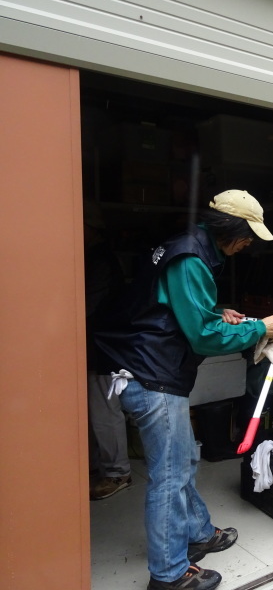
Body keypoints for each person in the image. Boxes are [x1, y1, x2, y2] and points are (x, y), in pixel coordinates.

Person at [95, 189, 273, 590]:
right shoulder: (190, 258)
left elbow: (175, 309)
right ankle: (169, 574)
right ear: (230, 228)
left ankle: (199, 534)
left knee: (182, 463)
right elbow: (202, 337)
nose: (249, 242)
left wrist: (219, 313)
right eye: (247, 234)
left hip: (152, 370)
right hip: (152, 376)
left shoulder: (189, 246)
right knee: (169, 474)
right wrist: (258, 327)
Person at [84, 201, 132, 500]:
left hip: (101, 345)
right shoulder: (93, 257)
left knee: (104, 408)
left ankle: (117, 472)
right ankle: (101, 466)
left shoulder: (99, 261)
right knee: (96, 408)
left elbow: (88, 306)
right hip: (95, 344)